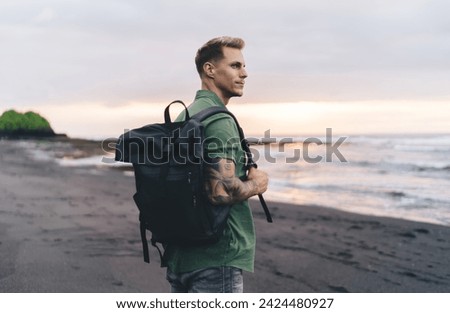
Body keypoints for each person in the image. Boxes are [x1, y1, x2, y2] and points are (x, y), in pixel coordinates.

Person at [163, 36, 269, 293]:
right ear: (209, 69)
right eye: (235, 66)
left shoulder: (184, 114)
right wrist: (257, 184)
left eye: (243, 66)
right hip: (216, 258)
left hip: (181, 255)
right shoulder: (220, 121)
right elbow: (219, 192)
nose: (245, 73)